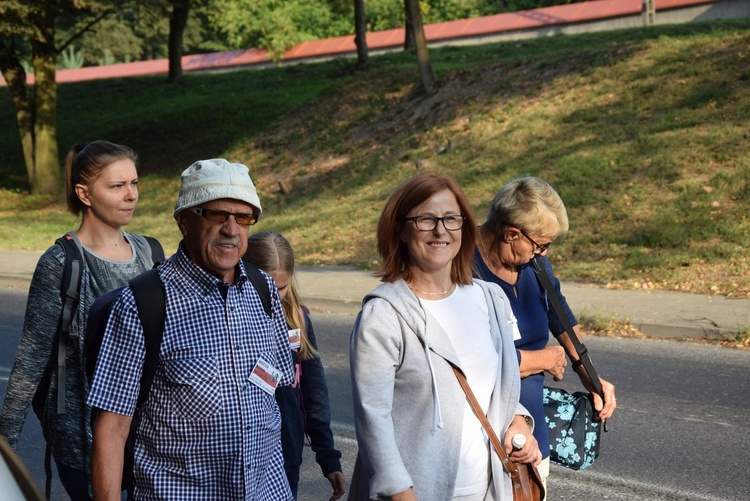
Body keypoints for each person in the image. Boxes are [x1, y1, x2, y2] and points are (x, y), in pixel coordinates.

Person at [87, 159, 295, 500]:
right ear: (185, 221)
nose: (232, 229)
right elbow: (111, 429)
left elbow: (276, 389)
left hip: (265, 491)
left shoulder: (263, 288)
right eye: (217, 215)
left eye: (243, 218)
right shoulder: (142, 303)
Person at [349, 172, 541, 501]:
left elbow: (498, 387)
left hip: (488, 490)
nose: (441, 230)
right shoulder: (382, 316)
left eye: (451, 218)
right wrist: (401, 493)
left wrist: (519, 420)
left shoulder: (489, 298)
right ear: (401, 230)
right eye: (426, 219)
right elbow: (373, 421)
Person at [0, 140, 163, 500]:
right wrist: (4, 456)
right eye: (117, 186)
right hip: (82, 438)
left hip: (147, 437)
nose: (131, 195)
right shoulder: (61, 263)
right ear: (84, 193)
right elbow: (30, 361)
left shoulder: (151, 253)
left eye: (134, 183)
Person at [473, 176, 617, 492]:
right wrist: (547, 357)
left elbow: (561, 317)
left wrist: (589, 375)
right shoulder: (460, 268)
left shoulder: (536, 266)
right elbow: (475, 362)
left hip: (531, 438)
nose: (543, 254)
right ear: (511, 234)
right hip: (477, 441)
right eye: (540, 244)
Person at [244, 231, 346, 501]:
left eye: (281, 287)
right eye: (264, 285)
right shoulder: (229, 321)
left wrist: (329, 457)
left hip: (287, 456)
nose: (274, 296)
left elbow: (314, 392)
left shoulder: (297, 320)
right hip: (240, 454)